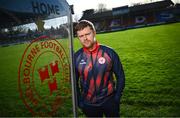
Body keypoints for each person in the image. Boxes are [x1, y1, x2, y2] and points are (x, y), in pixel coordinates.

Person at [74, 20, 125, 117]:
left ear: (94, 33)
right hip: (89, 104)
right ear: (78, 38)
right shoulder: (76, 57)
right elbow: (73, 82)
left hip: (109, 101)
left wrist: (117, 97)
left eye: (87, 34)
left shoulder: (109, 53)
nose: (85, 38)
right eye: (81, 36)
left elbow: (120, 76)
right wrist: (79, 101)